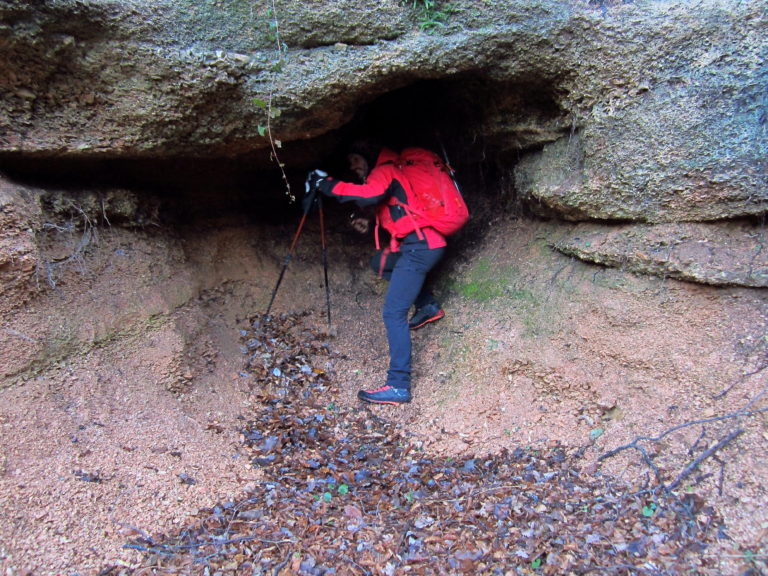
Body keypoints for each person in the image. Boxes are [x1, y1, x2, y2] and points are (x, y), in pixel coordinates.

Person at [305, 140, 446, 405]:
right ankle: (427, 306)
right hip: (422, 244)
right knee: (380, 263)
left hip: (420, 248)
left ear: (368, 156)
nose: (353, 166)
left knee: (393, 313)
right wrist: (367, 219)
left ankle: (398, 385)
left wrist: (326, 185)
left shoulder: (385, 169)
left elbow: (369, 195)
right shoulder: (391, 171)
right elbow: (392, 202)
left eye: (355, 159)